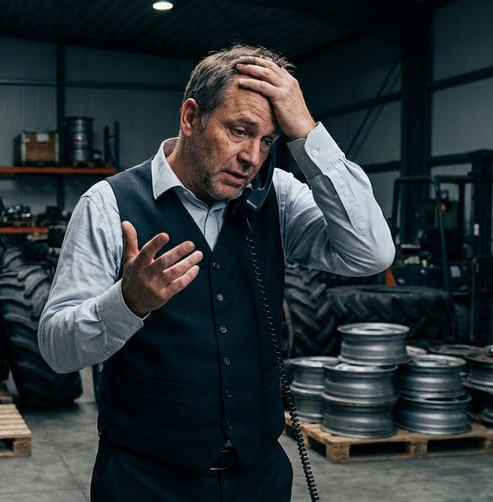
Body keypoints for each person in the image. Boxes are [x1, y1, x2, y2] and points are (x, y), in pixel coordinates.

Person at [37, 44, 395, 501]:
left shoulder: (276, 196)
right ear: (191, 117)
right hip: (146, 483)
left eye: (267, 141)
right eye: (239, 131)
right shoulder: (107, 204)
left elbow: (371, 253)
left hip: (258, 476)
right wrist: (126, 304)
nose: (252, 158)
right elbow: (55, 349)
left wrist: (307, 133)